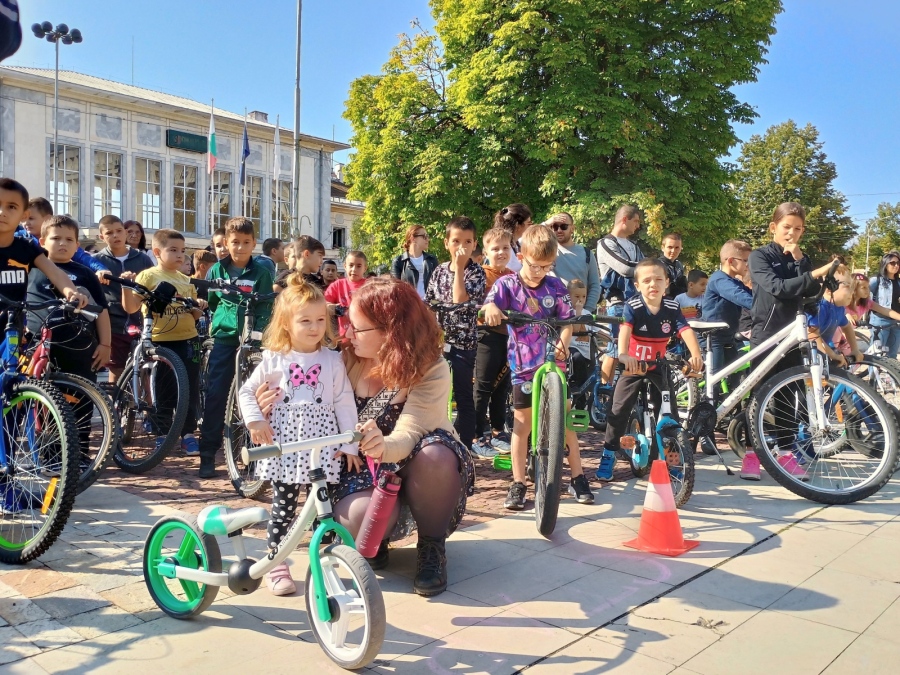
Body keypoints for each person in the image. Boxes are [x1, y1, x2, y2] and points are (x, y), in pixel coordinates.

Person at [255, 278, 475, 596]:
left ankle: (431, 547)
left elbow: (410, 432)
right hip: (359, 471)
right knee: (360, 521)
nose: (346, 333)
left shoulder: (431, 368)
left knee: (436, 456)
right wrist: (266, 411)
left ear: (390, 331)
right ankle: (376, 541)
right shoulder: (341, 358)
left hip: (415, 463)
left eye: (357, 328)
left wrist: (382, 446)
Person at [239, 278, 358, 596]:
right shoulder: (274, 359)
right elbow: (247, 390)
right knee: (284, 507)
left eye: (321, 320)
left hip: (322, 447)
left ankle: (326, 564)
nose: (315, 327)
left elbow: (343, 401)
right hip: (288, 446)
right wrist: (254, 421)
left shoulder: (332, 360)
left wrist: (349, 443)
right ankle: (276, 564)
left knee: (323, 509)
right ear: (287, 324)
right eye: (305, 320)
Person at [482, 224, 595, 507]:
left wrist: (563, 344)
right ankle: (518, 482)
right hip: (523, 365)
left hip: (553, 364)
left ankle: (578, 477)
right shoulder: (507, 284)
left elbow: (566, 322)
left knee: (565, 421)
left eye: (546, 266)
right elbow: (489, 305)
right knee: (521, 425)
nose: (539, 272)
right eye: (534, 265)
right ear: (521, 258)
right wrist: (493, 308)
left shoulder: (555, 286)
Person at [748, 202, 834, 477]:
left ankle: (785, 453)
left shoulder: (802, 258)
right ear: (774, 227)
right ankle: (751, 453)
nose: (791, 233)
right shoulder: (760, 256)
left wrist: (801, 262)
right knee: (758, 393)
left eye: (798, 229)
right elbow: (777, 288)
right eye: (786, 227)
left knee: (788, 394)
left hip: (794, 331)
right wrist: (811, 274)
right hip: (766, 331)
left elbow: (809, 290)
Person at [596, 259, 703, 481]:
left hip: (657, 365)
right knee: (619, 409)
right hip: (634, 365)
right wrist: (624, 354)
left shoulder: (672, 307)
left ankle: (672, 457)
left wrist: (695, 354)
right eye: (646, 280)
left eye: (658, 280)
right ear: (637, 286)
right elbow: (625, 331)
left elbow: (685, 330)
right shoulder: (633, 306)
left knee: (669, 410)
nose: (652, 284)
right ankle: (609, 452)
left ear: (667, 283)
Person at [27, 216, 111, 459]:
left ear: (77, 246)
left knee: (80, 399)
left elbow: (101, 312)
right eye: (55, 238)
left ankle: (79, 454)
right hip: (38, 345)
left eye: (69, 240)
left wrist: (105, 344)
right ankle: (51, 454)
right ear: (42, 241)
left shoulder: (85, 273)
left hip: (79, 344)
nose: (62, 243)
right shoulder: (32, 269)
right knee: (45, 400)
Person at [198, 217, 275, 478]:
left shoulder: (262, 273)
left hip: (252, 342)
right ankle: (207, 454)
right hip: (225, 339)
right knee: (216, 394)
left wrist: (258, 334)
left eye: (245, 242)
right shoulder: (216, 271)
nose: (240, 248)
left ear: (254, 243)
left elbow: (266, 306)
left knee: (253, 397)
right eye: (234, 243)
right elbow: (212, 301)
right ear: (225, 243)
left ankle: (252, 453)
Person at [122, 229, 205, 456]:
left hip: (187, 339)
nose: (180, 255)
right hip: (160, 341)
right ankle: (162, 434)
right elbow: (131, 307)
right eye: (173, 250)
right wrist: (125, 286)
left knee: (189, 388)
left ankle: (188, 435)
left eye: (182, 250)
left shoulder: (186, 280)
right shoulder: (148, 276)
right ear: (157, 252)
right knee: (163, 389)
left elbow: (194, 316)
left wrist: (199, 306)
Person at [425, 216, 486, 452]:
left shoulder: (476, 272)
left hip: (464, 344)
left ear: (474, 244)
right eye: (456, 241)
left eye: (467, 242)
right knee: (434, 395)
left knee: (463, 395)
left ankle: (464, 446)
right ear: (446, 243)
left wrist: (460, 268)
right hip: (438, 344)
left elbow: (459, 300)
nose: (462, 247)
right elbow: (429, 304)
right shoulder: (439, 271)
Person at [0, 178, 88, 320]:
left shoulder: (27, 247)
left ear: (24, 215)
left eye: (11, 207)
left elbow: (55, 273)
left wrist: (72, 292)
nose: (2, 212)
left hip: (13, 327)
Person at [93, 215, 154, 383]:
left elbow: (152, 284)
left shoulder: (142, 258)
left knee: (144, 370)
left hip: (140, 322)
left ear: (125, 233)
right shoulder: (97, 261)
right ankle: (115, 407)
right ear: (101, 237)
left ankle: (147, 407)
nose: (115, 236)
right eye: (109, 233)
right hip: (114, 324)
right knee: (117, 369)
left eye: (119, 231)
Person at [471, 227, 514, 458]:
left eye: (505, 248)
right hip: (486, 336)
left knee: (502, 387)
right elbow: (473, 304)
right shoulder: (480, 274)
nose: (500, 252)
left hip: (509, 337)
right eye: (495, 248)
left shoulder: (513, 276)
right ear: (485, 251)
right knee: (483, 386)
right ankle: (477, 434)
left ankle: (498, 431)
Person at [596, 204, 644, 384]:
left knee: (634, 350)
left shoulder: (633, 245)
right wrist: (643, 268)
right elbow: (624, 268)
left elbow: (646, 267)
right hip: (617, 304)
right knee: (615, 350)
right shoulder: (606, 243)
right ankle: (604, 393)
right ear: (625, 219)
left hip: (637, 304)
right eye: (636, 221)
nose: (638, 226)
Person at [701, 240, 753, 401]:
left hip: (729, 336)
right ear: (731, 261)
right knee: (714, 378)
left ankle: (730, 411)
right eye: (745, 260)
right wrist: (760, 306)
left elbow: (752, 296)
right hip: (714, 337)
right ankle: (705, 410)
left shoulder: (735, 281)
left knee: (735, 375)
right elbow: (741, 298)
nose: (747, 265)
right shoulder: (719, 280)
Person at [18, 197, 110, 277]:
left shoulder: (64, 239)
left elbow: (83, 257)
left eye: (31, 218)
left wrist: (101, 269)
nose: (26, 223)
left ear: (47, 218)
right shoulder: (18, 238)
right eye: (23, 218)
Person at [807, 264, 863, 368]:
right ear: (829, 289)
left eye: (853, 287)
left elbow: (847, 327)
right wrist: (832, 355)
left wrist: (855, 349)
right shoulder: (821, 307)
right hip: (810, 354)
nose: (852, 292)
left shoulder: (839, 307)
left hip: (824, 350)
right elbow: (812, 335)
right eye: (847, 286)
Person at [546, 212, 602, 313]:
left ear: (572, 228)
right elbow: (526, 239)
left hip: (581, 314)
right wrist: (546, 223)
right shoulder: (546, 252)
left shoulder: (587, 254)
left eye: (563, 226)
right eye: (554, 226)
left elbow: (595, 285)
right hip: (554, 314)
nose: (559, 230)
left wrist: (586, 311)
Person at [324, 251, 368, 337]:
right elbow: (323, 303)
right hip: (344, 336)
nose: (354, 269)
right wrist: (335, 308)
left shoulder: (370, 285)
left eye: (359, 266)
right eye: (351, 265)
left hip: (365, 335)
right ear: (345, 266)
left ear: (365, 268)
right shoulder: (337, 285)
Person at [391, 224, 438, 300]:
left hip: (429, 307)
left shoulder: (432, 260)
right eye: (424, 236)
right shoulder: (399, 262)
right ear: (413, 238)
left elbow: (438, 287)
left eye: (427, 236)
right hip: (409, 308)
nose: (427, 239)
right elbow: (395, 290)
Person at [869, 251, 900, 358]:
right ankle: (873, 375)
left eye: (898, 263)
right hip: (880, 321)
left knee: (892, 354)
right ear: (885, 264)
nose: (896, 265)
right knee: (876, 353)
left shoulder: (899, 282)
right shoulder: (876, 280)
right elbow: (861, 294)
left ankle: (890, 375)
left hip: (896, 322)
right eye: (892, 263)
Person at [493, 204, 532, 273]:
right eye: (529, 223)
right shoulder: (503, 249)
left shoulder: (516, 244)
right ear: (518, 226)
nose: (531, 227)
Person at [660, 232, 687, 299]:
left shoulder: (679, 265)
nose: (673, 251)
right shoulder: (657, 265)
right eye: (670, 247)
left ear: (681, 249)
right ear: (663, 248)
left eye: (677, 247)